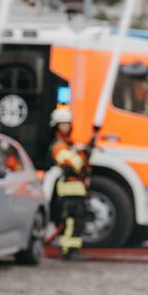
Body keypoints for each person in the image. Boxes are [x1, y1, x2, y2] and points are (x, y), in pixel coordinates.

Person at [49, 107, 89, 261]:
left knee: (78, 221)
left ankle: (74, 248)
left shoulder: (70, 144)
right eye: (62, 124)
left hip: (77, 189)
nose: (65, 127)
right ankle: (67, 249)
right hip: (67, 190)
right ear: (56, 126)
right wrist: (82, 155)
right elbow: (73, 163)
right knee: (69, 221)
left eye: (67, 124)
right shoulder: (58, 145)